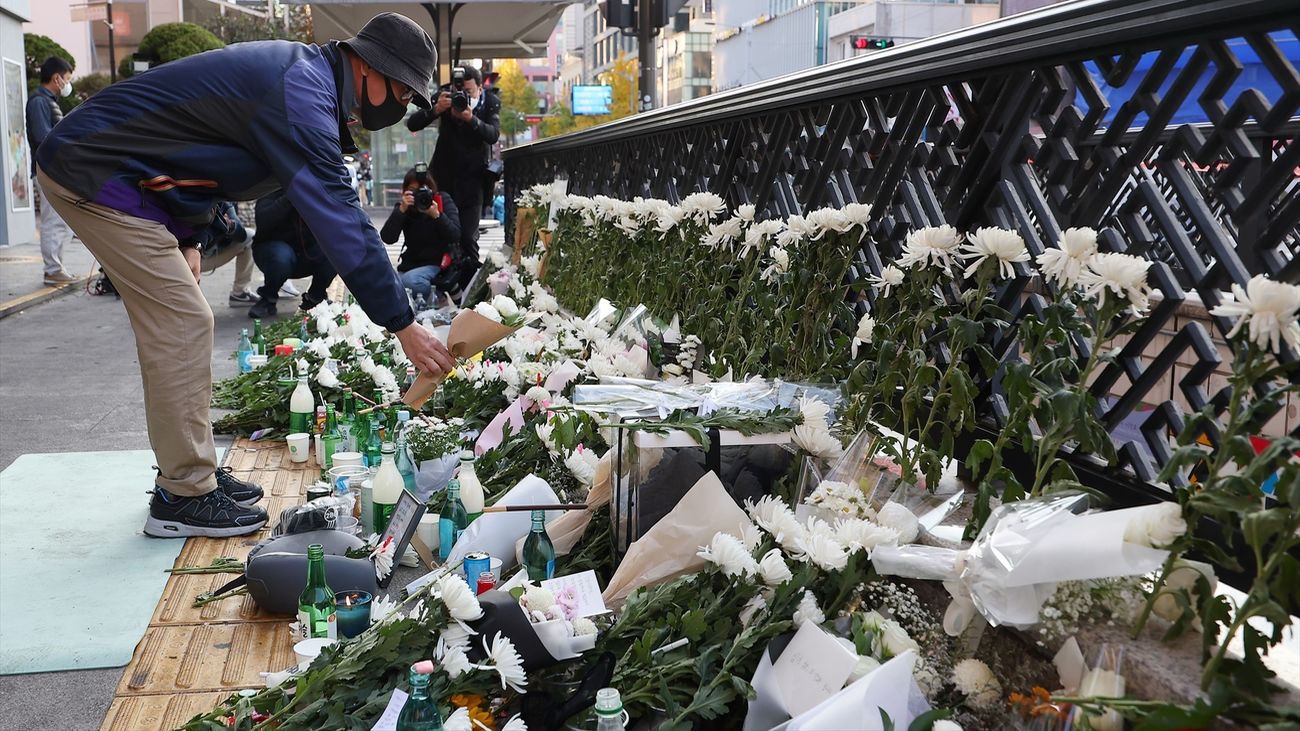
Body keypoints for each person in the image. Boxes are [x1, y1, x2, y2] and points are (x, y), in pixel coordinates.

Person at [35, 12, 455, 538]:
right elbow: (340, 214)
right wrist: (402, 322)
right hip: (93, 172)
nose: (404, 108)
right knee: (182, 322)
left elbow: (193, 148)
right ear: (371, 68)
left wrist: (187, 236)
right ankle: (183, 496)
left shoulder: (308, 80)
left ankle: (192, 476)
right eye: (403, 93)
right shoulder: (302, 91)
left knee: (181, 322)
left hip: (121, 175)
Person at [406, 63, 500, 289]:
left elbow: (493, 135)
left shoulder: (490, 102)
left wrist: (471, 119)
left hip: (473, 180)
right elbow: (413, 122)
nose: (463, 97)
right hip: (444, 177)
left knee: (468, 237)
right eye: (461, 92)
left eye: (468, 93)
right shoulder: (445, 96)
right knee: (444, 234)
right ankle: (446, 287)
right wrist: (436, 110)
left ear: (479, 87)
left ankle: (472, 290)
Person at [26, 56, 78, 286]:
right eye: (67, 79)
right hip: (47, 170)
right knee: (53, 221)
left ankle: (56, 267)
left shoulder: (48, 101)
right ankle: (52, 269)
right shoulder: (39, 101)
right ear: (56, 78)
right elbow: (42, 136)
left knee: (61, 221)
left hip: (54, 171)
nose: (68, 84)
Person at [248, 190, 339, 318]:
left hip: (307, 253)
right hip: (273, 252)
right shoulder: (273, 186)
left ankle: (315, 297)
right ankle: (268, 298)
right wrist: (291, 196)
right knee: (281, 256)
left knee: (337, 249)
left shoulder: (316, 188)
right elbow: (263, 219)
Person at [380, 167, 461, 308]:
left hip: (437, 263)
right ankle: (425, 302)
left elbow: (455, 235)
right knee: (388, 285)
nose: (418, 194)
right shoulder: (405, 207)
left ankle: (437, 296)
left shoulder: (441, 200)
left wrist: (437, 215)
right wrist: (401, 211)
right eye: (412, 190)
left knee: (410, 282)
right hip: (410, 264)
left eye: (422, 190)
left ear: (431, 188)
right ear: (405, 191)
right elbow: (387, 238)